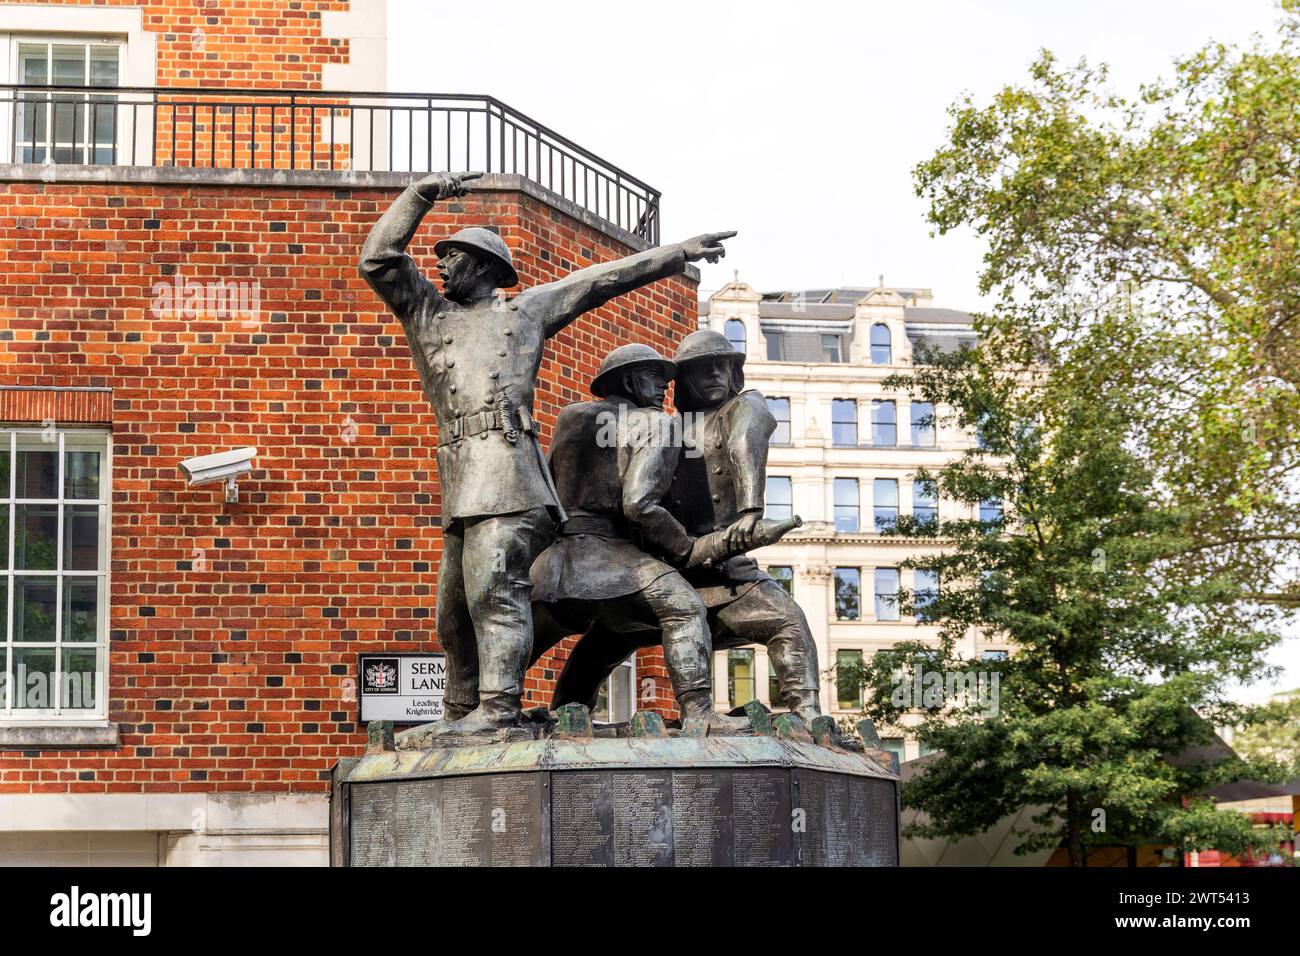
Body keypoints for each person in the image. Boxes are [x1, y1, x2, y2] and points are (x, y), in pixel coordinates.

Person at [358, 169, 734, 735]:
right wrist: (421, 195)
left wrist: (674, 253)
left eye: (452, 256)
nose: (439, 264)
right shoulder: (427, 315)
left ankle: (497, 709)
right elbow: (378, 258)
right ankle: (462, 714)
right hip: (462, 479)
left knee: (494, 590)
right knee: (452, 613)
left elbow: (601, 279)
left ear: (484, 267)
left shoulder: (524, 313)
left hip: (511, 477)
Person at [556, 329, 825, 726]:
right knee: (596, 650)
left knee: (788, 621)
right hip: (671, 568)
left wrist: (751, 508)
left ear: (734, 373)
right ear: (684, 380)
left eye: (723, 366)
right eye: (703, 369)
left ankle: (809, 716)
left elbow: (746, 440)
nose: (715, 374)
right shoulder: (661, 426)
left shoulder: (743, 408)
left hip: (725, 573)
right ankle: (565, 717)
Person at [528, 344, 746, 730]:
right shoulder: (656, 424)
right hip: (612, 557)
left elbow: (544, 489)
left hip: (555, 566)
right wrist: (687, 547)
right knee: (685, 609)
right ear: (629, 379)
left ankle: (528, 713)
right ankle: (699, 714)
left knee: (523, 643)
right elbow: (639, 505)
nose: (665, 385)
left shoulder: (571, 417)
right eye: (655, 376)